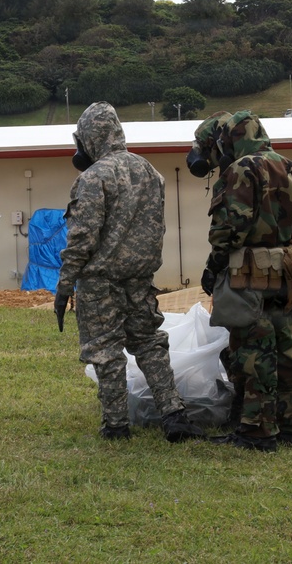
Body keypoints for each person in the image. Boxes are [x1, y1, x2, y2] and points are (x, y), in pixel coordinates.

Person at [54, 102, 204, 442]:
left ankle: (117, 425)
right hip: (140, 278)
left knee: (106, 352)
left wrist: (64, 285)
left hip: (100, 281)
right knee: (149, 344)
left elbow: (81, 238)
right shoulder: (151, 173)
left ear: (90, 138)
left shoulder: (93, 178)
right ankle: (174, 414)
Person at [186, 110, 292, 452]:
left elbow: (229, 231)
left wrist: (213, 269)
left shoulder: (240, 170)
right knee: (287, 351)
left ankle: (257, 433)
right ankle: (290, 428)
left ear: (229, 140)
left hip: (248, 279)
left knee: (252, 354)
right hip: (288, 277)